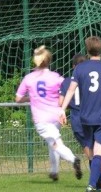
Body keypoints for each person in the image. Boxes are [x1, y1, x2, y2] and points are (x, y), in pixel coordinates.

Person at [60, 36, 101, 192]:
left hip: (85, 117)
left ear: (87, 50)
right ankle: (91, 185)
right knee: (99, 151)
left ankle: (98, 186)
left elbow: (71, 90)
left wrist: (62, 109)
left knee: (92, 153)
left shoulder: (79, 69)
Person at [16, 45, 82, 181]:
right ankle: (54, 171)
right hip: (56, 115)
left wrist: (30, 98)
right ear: (48, 61)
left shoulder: (29, 78)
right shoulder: (56, 77)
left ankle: (73, 159)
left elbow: (18, 98)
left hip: (41, 118)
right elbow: (68, 87)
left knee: (56, 143)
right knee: (52, 142)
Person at [59, 53, 101, 188]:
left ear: (73, 66)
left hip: (77, 118)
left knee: (90, 153)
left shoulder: (66, 82)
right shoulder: (90, 77)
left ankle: (99, 182)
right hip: (92, 114)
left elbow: (60, 101)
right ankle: (100, 181)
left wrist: (65, 108)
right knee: (96, 148)